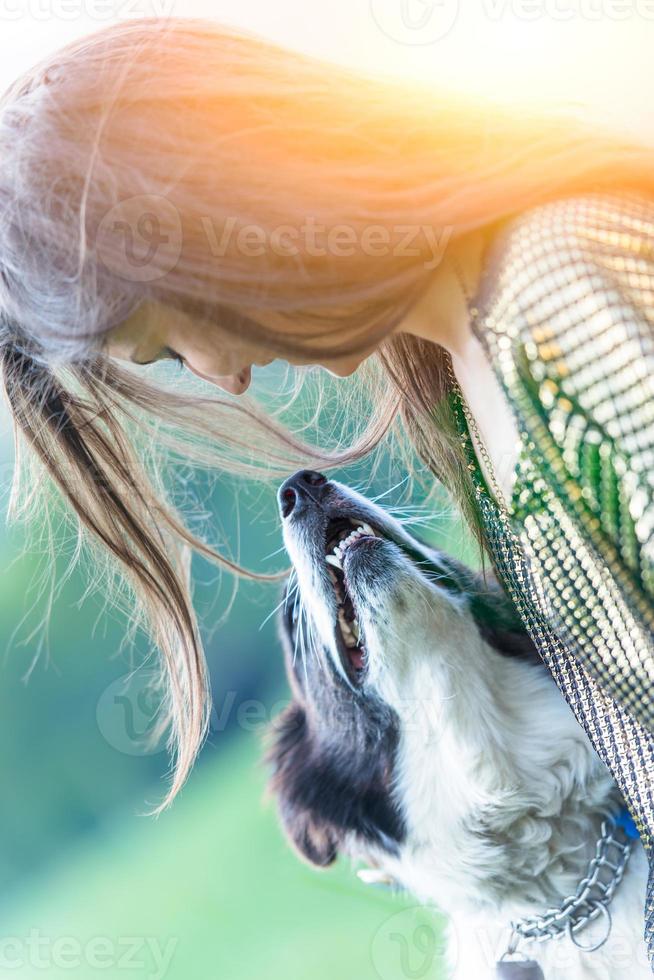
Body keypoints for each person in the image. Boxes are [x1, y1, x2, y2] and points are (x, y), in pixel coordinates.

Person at [1, 15, 653, 962]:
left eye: (169, 340)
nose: (219, 376)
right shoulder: (463, 370)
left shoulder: (559, 291)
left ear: (213, 225)